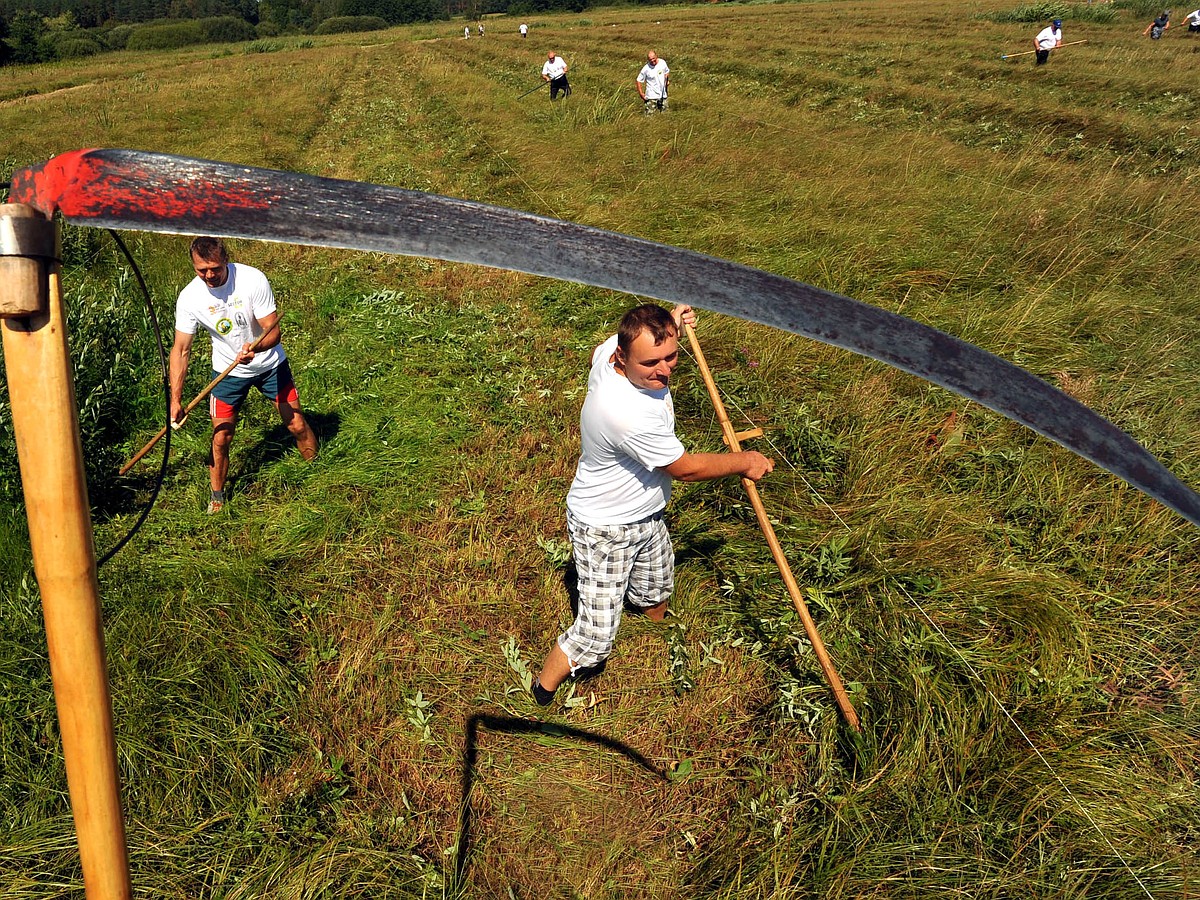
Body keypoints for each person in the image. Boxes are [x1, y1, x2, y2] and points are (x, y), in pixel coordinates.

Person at [531, 304, 774, 706]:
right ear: (622, 358)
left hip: (646, 515)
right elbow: (686, 469)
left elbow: (627, 341)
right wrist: (745, 461)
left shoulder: (611, 350)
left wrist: (672, 323)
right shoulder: (626, 413)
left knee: (657, 581)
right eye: (651, 362)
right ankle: (543, 688)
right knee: (596, 635)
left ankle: (655, 633)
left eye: (671, 356)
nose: (664, 370)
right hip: (605, 528)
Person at [170, 238, 317, 514]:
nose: (209, 276)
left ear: (226, 260)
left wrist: (255, 347)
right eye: (201, 270)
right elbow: (181, 350)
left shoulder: (251, 279)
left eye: (214, 268)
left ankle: (318, 471)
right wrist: (175, 400)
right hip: (227, 373)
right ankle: (217, 497)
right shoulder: (190, 297)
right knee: (221, 436)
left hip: (270, 365)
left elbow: (273, 331)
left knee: (296, 424)